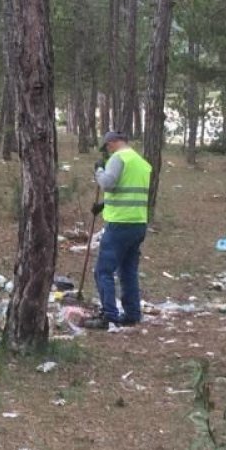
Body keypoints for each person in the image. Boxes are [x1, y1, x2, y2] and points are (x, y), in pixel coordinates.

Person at [85, 131, 152, 329]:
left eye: (107, 147)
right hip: (138, 223)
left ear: (112, 142)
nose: (107, 151)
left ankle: (109, 315)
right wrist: (104, 205)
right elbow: (127, 190)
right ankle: (132, 314)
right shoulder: (140, 162)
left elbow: (108, 183)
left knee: (103, 271)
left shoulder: (118, 158)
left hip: (119, 224)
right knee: (128, 271)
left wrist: (98, 170)